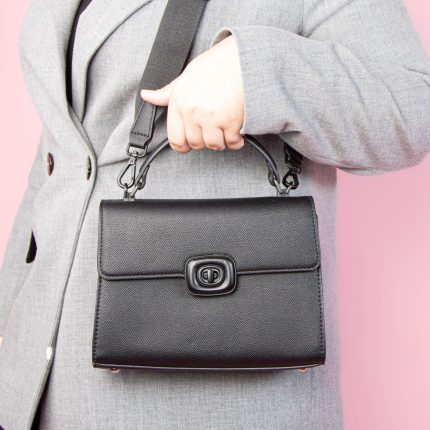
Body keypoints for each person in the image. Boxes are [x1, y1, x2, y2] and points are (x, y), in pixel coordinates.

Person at [1, 0, 430, 428]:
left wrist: (255, 73)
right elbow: (61, 159)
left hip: (211, 400)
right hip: (40, 375)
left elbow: (412, 106)